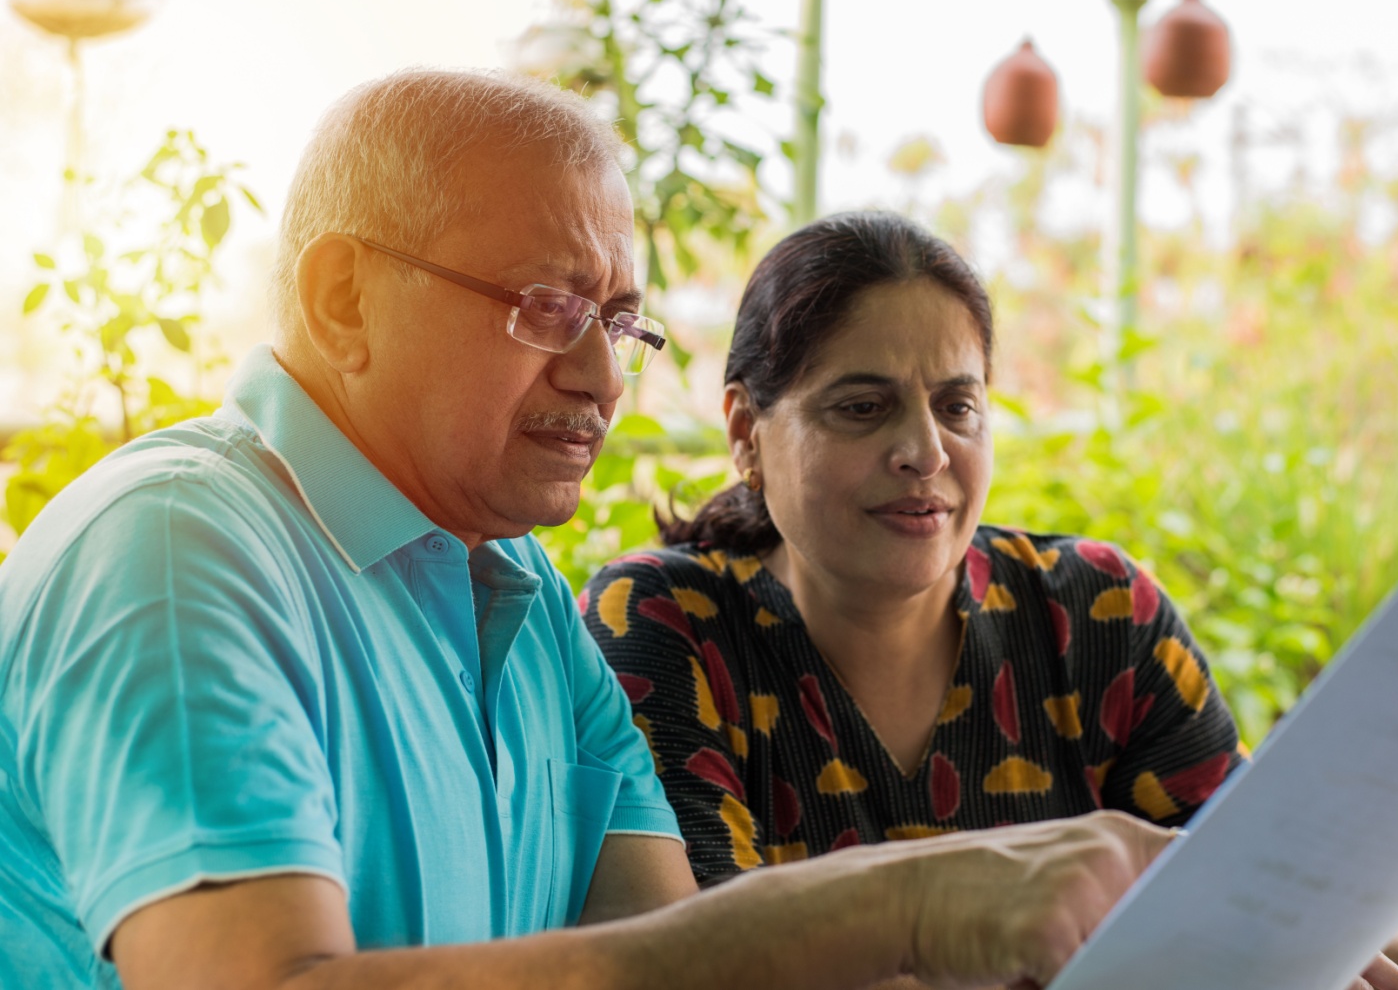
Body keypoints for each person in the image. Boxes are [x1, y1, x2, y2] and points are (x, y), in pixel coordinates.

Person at [0, 67, 1223, 990]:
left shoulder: (517, 593)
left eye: (621, 321)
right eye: (546, 308)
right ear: (340, 298)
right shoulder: (180, 552)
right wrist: (901, 904)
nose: (602, 377)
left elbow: (671, 956)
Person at [580, 210, 1398, 989]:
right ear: (745, 431)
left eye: (957, 405)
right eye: (862, 406)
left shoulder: (1093, 616)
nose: (923, 452)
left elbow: (1266, 905)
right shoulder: (669, 626)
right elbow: (707, 961)